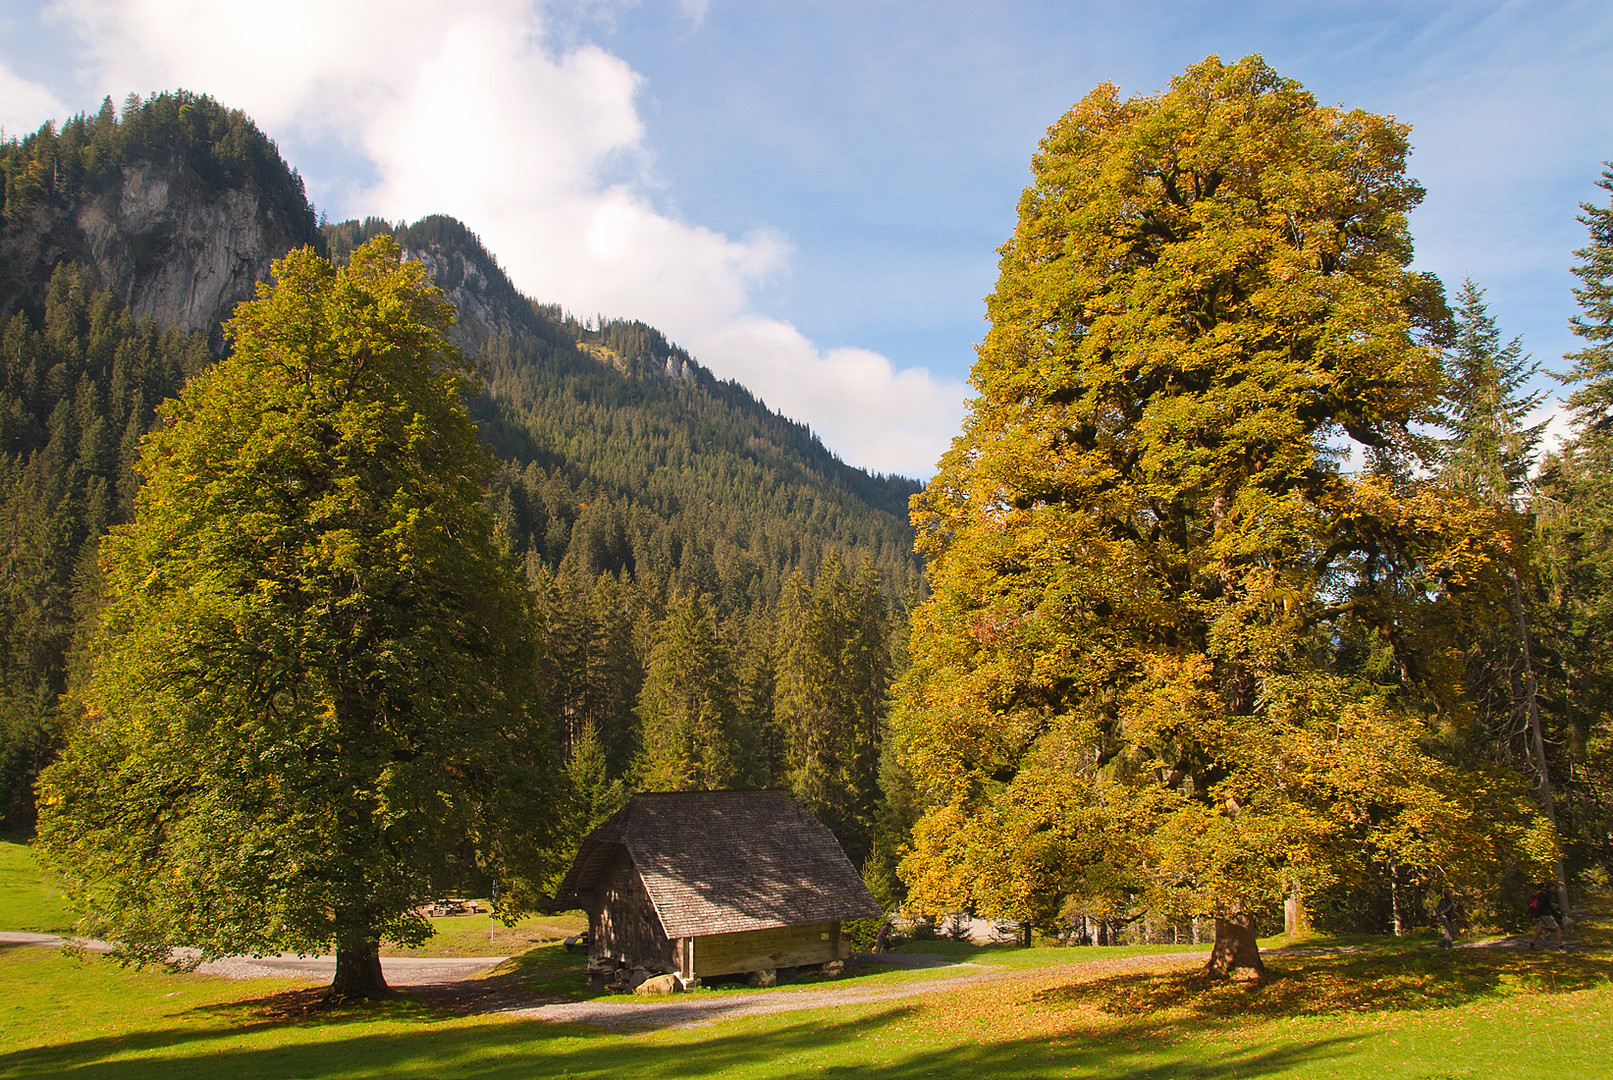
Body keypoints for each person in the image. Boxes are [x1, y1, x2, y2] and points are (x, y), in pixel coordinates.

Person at [1526, 882, 1564, 951]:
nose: (1555, 889)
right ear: (1551, 887)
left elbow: (1549, 907)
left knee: (1540, 929)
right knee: (1558, 929)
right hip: (1545, 915)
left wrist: (1557, 915)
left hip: (1542, 915)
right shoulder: (1545, 895)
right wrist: (1535, 916)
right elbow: (1540, 906)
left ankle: (1532, 944)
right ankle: (1561, 947)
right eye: (1554, 887)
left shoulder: (1546, 894)